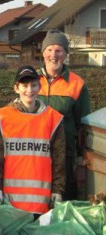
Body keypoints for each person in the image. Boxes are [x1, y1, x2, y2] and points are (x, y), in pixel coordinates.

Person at [0, 66, 65, 215]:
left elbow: (59, 159)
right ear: (16, 88)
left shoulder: (53, 118)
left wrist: (57, 190)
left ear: (39, 87)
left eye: (33, 85)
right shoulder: (3, 117)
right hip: (10, 204)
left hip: (43, 205)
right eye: (24, 86)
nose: (29, 90)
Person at [37, 30, 92, 200]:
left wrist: (82, 160)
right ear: (43, 52)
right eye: (50, 49)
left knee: (62, 201)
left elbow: (84, 126)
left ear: (66, 54)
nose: (54, 55)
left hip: (65, 156)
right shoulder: (30, 80)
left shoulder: (77, 84)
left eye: (59, 50)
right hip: (35, 153)